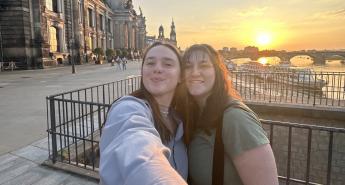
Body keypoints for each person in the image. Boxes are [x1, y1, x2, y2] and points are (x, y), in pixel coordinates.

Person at [181, 44, 278, 185]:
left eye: (204, 66)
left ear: (217, 73)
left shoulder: (236, 119)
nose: (194, 72)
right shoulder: (194, 115)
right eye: (188, 66)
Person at [100, 42, 188, 185]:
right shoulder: (128, 108)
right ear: (143, 71)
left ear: (180, 77)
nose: (157, 69)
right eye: (150, 63)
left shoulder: (179, 119)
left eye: (168, 64)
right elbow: (137, 145)